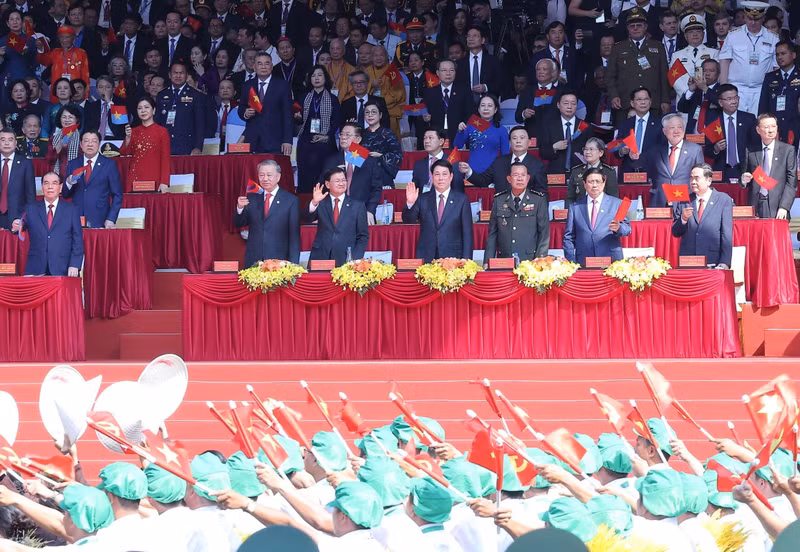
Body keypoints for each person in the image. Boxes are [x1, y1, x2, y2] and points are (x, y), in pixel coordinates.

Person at [606, 7, 670, 124]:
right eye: (632, 26)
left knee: (652, 137)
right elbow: (610, 75)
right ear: (627, 28)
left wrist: (665, 100)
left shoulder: (658, 46)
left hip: (653, 102)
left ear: (645, 26)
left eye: (639, 25)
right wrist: (614, 95)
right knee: (624, 139)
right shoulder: (618, 48)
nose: (635, 28)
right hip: (625, 102)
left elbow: (664, 75)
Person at [13, 171, 83, 277]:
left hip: (63, 267)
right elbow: (20, 224)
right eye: (46, 183)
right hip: (36, 267)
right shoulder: (31, 208)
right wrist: (16, 225)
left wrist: (74, 264)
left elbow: (77, 240)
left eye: (54, 183)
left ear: (60, 187)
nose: (50, 187)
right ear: (42, 187)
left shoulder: (71, 210)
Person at [403, 159, 473, 263]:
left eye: (444, 174)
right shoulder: (423, 198)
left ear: (451, 177)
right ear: (432, 176)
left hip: (453, 259)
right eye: (437, 174)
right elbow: (409, 220)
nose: (441, 178)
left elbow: (467, 233)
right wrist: (410, 203)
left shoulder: (462, 200)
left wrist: (466, 260)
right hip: (427, 256)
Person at [234, 160, 300, 267]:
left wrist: (293, 264)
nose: (265, 179)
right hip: (254, 259)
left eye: (269, 175)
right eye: (261, 175)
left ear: (278, 177)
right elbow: (239, 223)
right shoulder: (252, 198)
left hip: (279, 260)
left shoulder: (291, 200)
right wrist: (240, 208)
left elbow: (294, 236)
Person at [563, 167, 632, 267]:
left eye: (598, 181)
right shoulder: (575, 207)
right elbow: (568, 237)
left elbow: (628, 229)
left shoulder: (618, 203)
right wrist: (571, 262)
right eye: (591, 182)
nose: (595, 185)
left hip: (611, 261)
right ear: (584, 184)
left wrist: (619, 228)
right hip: (583, 262)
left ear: (604, 183)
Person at [719, 1, 779, 115]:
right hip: (736, 88)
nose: (752, 22)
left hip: (761, 90)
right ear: (745, 17)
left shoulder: (772, 38)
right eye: (749, 18)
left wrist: (773, 90)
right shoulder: (733, 35)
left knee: (758, 124)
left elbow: (776, 67)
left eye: (756, 19)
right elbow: (724, 62)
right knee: (736, 124)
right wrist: (724, 89)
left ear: (763, 18)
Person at [484, 162, 549, 265]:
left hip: (530, 261)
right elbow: (492, 234)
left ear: (528, 179)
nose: (520, 178)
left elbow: (544, 234)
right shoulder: (499, 200)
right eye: (516, 175)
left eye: (523, 175)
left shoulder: (538, 200)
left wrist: (540, 261)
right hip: (504, 261)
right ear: (509, 179)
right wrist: (487, 261)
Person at [671, 163, 733, 269]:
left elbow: (726, 234)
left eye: (697, 178)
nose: (693, 182)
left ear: (708, 180)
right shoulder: (684, 201)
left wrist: (724, 262)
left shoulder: (723, 200)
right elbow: (675, 232)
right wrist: (683, 219)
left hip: (712, 261)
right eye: (691, 178)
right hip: (689, 262)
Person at [306, 167, 369, 266]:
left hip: (347, 258)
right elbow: (306, 219)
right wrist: (314, 202)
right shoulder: (320, 202)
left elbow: (363, 236)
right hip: (321, 256)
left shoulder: (357, 206)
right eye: (337, 181)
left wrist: (355, 258)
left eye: (344, 180)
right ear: (327, 184)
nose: (341, 183)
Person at [460, 126, 547, 195]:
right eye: (514, 138)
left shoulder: (538, 166)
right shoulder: (499, 162)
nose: (518, 141)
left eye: (522, 138)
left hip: (527, 213)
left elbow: (542, 194)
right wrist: (468, 171)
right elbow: (483, 181)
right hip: (502, 213)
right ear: (510, 143)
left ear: (529, 142)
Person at [740, 113, 797, 219]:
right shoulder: (751, 151)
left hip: (778, 206)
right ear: (758, 130)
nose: (771, 130)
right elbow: (745, 174)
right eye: (766, 127)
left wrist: (784, 207)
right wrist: (744, 179)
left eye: (773, 126)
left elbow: (791, 182)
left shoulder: (787, 150)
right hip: (755, 204)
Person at [320, 123, 382, 217]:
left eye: (348, 135)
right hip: (336, 212)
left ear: (358, 139)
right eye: (341, 134)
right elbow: (322, 185)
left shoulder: (369, 162)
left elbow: (376, 189)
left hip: (362, 212)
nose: (343, 137)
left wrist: (370, 211)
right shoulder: (331, 160)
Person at [64, 131, 123, 228]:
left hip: (100, 219)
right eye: (86, 141)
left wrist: (111, 218)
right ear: (81, 145)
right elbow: (66, 194)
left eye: (94, 141)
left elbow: (117, 195)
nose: (90, 144)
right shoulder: (73, 164)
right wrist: (69, 182)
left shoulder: (109, 165)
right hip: (77, 218)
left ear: (99, 144)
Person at [296, 65, 340, 195]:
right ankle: (306, 205)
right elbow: (299, 120)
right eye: (313, 76)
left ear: (325, 78)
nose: (316, 78)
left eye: (320, 75)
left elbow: (337, 121)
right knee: (305, 174)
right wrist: (297, 117)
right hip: (306, 141)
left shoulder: (332, 99)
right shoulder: (304, 97)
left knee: (324, 174)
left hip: (326, 141)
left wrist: (326, 136)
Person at [238, 52, 293, 156]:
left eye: (267, 63)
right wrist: (245, 113)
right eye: (259, 63)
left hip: (275, 141)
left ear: (271, 66)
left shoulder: (282, 85)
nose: (263, 66)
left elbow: (288, 115)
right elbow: (241, 109)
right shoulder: (247, 85)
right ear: (254, 67)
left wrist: (287, 140)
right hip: (252, 140)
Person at [646, 113, 705, 207]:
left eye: (680, 127)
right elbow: (648, 172)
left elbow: (701, 177)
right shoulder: (655, 151)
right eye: (672, 127)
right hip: (660, 201)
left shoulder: (695, 150)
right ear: (664, 131)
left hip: (686, 201)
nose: (676, 131)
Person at [706, 84, 759, 182]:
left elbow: (756, 146)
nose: (734, 101)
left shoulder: (749, 119)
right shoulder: (713, 120)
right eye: (729, 99)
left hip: (744, 170)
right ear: (720, 102)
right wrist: (716, 149)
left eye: (736, 98)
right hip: (721, 170)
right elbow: (708, 150)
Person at [120, 97, 171, 193]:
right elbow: (124, 152)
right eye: (139, 108)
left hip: (154, 178)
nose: (143, 110)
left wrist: (164, 181)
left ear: (154, 110)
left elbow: (165, 159)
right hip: (135, 178)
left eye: (146, 107)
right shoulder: (133, 131)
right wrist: (127, 137)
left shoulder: (162, 132)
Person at [538, 90, 593, 175]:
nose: (569, 107)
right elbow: (542, 153)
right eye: (566, 103)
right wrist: (554, 147)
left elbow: (592, 152)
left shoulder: (585, 127)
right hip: (556, 173)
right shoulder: (549, 126)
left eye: (573, 104)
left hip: (581, 172)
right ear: (558, 105)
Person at [155, 62, 205, 155]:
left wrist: (198, 147)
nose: (178, 76)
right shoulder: (162, 95)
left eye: (181, 73)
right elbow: (157, 121)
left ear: (186, 75)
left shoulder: (195, 95)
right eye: (175, 73)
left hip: (187, 146)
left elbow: (200, 123)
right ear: (170, 75)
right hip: (164, 145)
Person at [453, 94, 509, 175]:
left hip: (493, 172)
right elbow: (457, 145)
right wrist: (460, 131)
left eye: (490, 106)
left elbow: (505, 155)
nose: (486, 108)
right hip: (472, 171)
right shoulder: (470, 126)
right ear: (478, 109)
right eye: (483, 105)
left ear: (495, 109)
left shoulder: (501, 129)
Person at [422, 59, 476, 143]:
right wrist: (425, 118)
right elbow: (421, 112)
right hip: (436, 136)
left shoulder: (464, 91)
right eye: (444, 70)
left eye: (451, 70)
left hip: (458, 134)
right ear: (437, 73)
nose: (448, 73)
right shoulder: (430, 93)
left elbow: (470, 113)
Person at [758, 40, 800, 139]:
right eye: (777, 55)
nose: (779, 57)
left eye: (783, 54)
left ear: (793, 55)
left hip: (795, 127)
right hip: (774, 128)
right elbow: (763, 105)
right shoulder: (770, 77)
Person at [36, 26, 90, 103]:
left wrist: (86, 96)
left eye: (67, 37)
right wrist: (40, 49)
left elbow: (85, 75)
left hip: (75, 94)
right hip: (58, 95)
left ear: (73, 38)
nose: (64, 40)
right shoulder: (55, 52)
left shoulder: (81, 53)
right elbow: (43, 61)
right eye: (61, 37)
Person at [670, 14, 719, 99]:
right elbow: (675, 79)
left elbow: (716, 76)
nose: (695, 34)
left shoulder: (714, 53)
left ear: (703, 34)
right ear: (685, 36)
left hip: (707, 99)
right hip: (684, 101)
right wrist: (689, 93)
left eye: (698, 31)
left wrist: (705, 91)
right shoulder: (677, 55)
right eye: (691, 32)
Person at [615, 87, 662, 174]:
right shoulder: (625, 125)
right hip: (628, 171)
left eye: (646, 99)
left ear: (650, 102)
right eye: (639, 99)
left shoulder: (659, 125)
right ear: (632, 103)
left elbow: (663, 150)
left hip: (651, 170)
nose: (643, 102)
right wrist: (622, 151)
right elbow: (616, 150)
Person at [360, 101, 402, 189]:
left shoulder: (388, 133)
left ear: (380, 115)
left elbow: (398, 156)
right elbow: (354, 159)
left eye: (374, 112)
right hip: (364, 178)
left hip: (383, 176)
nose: (370, 115)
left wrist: (380, 156)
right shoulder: (360, 134)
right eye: (367, 112)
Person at [515, 59, 561, 136]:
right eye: (538, 69)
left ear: (553, 73)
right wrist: (524, 114)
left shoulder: (561, 93)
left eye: (545, 69)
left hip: (554, 137)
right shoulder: (526, 92)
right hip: (532, 137)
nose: (540, 71)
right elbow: (517, 117)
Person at [0, 128, 34, 232]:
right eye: (2, 139)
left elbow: (30, 196)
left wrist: (23, 219)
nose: (6, 143)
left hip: (16, 218)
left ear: (15, 143)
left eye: (10, 140)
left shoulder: (25, 164)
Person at [412, 128, 465, 193]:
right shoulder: (418, 165)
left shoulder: (452, 163)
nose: (426, 141)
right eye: (425, 138)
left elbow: (458, 190)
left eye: (430, 138)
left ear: (441, 141)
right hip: (424, 201)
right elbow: (414, 190)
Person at [567, 138, 618, 206]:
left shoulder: (609, 172)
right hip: (580, 212)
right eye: (585, 149)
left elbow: (613, 199)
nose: (587, 152)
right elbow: (570, 198)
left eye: (591, 149)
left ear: (601, 153)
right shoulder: (576, 171)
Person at [456, 25, 500, 102]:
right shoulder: (460, 63)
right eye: (468, 36)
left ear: (482, 40)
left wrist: (485, 87)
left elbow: (500, 83)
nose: (471, 39)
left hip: (486, 103)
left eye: (475, 36)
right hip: (465, 104)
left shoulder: (493, 61)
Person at [676, 58, 721, 134]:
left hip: (714, 135)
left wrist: (705, 89)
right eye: (704, 71)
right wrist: (691, 90)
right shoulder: (696, 90)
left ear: (718, 74)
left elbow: (720, 103)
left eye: (712, 71)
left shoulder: (723, 89)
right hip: (693, 135)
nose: (707, 74)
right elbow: (681, 108)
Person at [48, 105, 83, 181]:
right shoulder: (53, 139)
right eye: (64, 117)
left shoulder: (83, 138)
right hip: (58, 177)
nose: (67, 120)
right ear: (60, 119)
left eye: (70, 117)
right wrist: (60, 145)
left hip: (78, 176)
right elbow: (49, 160)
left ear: (77, 119)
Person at [84, 76, 125, 141]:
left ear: (113, 89)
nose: (104, 90)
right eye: (101, 87)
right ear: (97, 90)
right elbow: (88, 128)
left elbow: (121, 124)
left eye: (107, 87)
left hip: (115, 139)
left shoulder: (121, 103)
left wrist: (109, 102)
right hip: (95, 139)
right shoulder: (91, 106)